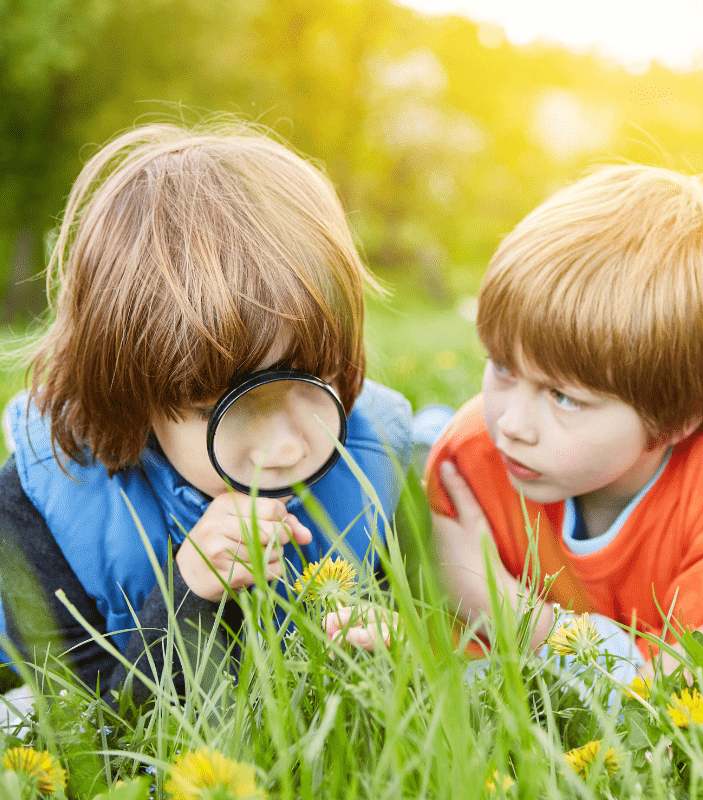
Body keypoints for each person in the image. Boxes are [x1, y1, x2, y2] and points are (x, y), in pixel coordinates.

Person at [329, 164, 703, 677]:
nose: (511, 424)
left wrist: (507, 609)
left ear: (677, 419)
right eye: (504, 368)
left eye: (564, 397)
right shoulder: (469, 460)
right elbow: (484, 685)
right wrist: (414, 651)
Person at [0, 122, 413, 700]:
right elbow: (89, 728)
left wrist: (402, 649)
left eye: (312, 380)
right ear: (129, 397)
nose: (290, 447)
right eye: (223, 409)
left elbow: (435, 621)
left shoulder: (380, 464)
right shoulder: (39, 511)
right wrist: (190, 590)